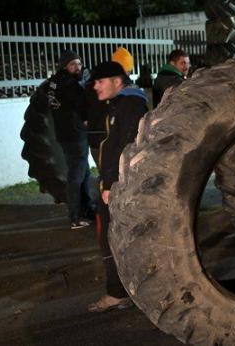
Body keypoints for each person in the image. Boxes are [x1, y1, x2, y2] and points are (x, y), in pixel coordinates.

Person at [87, 61, 148, 313]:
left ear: (116, 80)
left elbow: (126, 146)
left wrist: (111, 183)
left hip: (119, 185)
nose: (94, 86)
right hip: (115, 182)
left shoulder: (130, 104)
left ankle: (118, 293)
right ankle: (125, 291)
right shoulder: (121, 103)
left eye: (99, 81)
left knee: (111, 239)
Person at [49, 50, 93, 229]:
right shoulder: (71, 84)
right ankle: (75, 216)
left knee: (84, 172)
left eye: (79, 63)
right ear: (64, 66)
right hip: (75, 135)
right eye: (73, 64)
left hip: (65, 135)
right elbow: (82, 106)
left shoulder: (54, 82)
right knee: (76, 175)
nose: (78, 67)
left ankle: (87, 209)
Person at [84, 47, 135, 164]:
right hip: (107, 141)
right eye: (126, 71)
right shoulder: (113, 88)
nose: (127, 74)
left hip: (100, 141)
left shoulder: (94, 85)